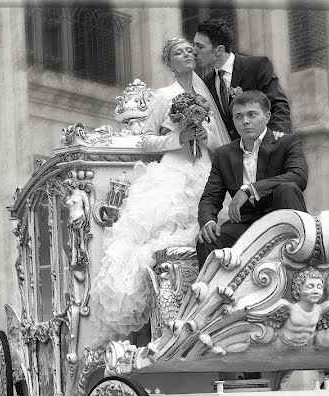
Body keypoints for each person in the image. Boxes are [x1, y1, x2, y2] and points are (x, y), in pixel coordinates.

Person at [91, 37, 229, 345]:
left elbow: (221, 146)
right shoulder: (164, 96)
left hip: (204, 168)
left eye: (191, 51)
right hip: (173, 169)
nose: (188, 55)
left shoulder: (206, 94)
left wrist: (202, 133)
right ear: (169, 63)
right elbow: (147, 140)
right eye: (179, 53)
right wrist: (179, 138)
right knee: (159, 231)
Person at [196, 89, 308, 268]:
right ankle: (210, 294)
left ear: (267, 116)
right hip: (245, 224)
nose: (245, 121)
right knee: (207, 239)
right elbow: (211, 196)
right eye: (238, 117)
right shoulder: (223, 154)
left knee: (287, 187)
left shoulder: (287, 142)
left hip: (282, 219)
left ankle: (303, 268)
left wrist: (249, 189)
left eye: (252, 114)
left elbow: (299, 177)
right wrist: (208, 221)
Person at [193, 18, 291, 142]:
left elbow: (278, 104)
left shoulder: (257, 66)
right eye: (194, 44)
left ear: (219, 50)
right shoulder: (205, 84)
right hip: (232, 155)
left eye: (200, 47)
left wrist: (278, 137)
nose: (194, 51)